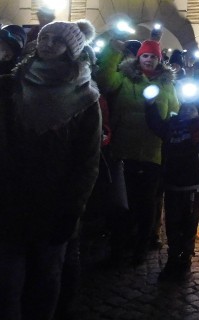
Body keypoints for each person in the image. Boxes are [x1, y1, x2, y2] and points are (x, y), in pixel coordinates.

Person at [0, 19, 101, 320]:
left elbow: (87, 160)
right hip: (9, 198)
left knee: (45, 283)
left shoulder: (85, 98)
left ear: (71, 49)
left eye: (58, 40)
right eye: (45, 38)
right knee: (7, 285)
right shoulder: (10, 86)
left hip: (54, 203)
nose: (48, 44)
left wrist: (73, 209)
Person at [96, 38, 180, 265]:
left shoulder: (166, 84)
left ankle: (140, 248)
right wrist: (111, 52)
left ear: (159, 59)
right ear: (138, 57)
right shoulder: (124, 78)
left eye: (153, 56)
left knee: (146, 203)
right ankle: (118, 247)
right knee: (122, 203)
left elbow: (174, 109)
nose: (149, 60)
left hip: (152, 151)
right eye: (145, 56)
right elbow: (104, 81)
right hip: (125, 149)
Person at [145, 88, 199, 281]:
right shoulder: (171, 126)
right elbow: (154, 124)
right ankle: (173, 256)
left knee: (189, 222)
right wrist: (151, 104)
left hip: (192, 185)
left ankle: (186, 255)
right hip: (172, 183)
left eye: (192, 108)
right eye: (184, 108)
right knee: (173, 221)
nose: (188, 111)